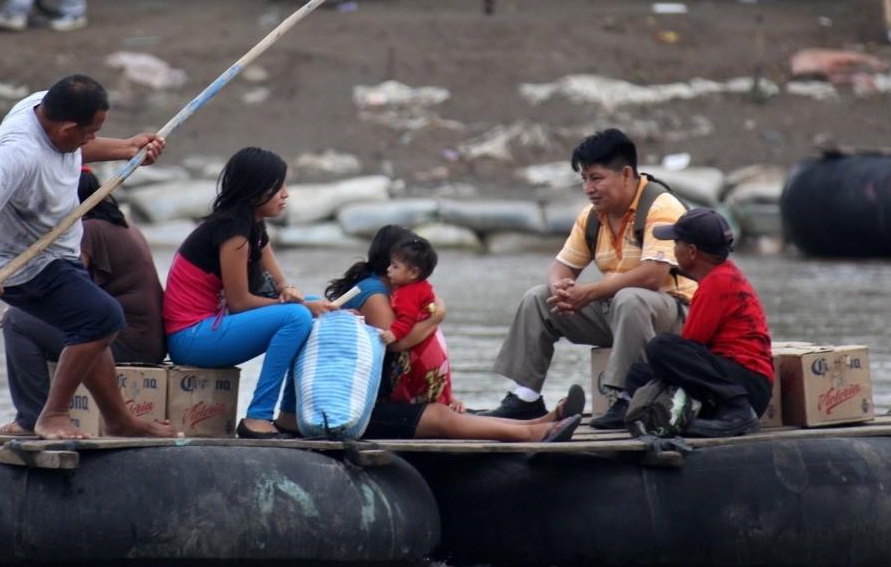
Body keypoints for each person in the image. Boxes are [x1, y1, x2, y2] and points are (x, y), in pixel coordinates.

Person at [0, 73, 173, 440]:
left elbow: (78, 145)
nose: (92, 138)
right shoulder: (17, 153)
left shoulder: (46, 107)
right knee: (105, 317)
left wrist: (127, 148)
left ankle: (118, 420)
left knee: (92, 325)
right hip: (23, 263)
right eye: (90, 131)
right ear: (67, 127)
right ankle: (50, 414)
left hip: (59, 249)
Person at [486, 128, 695, 431]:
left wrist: (590, 292)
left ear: (625, 174)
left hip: (673, 315)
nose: (588, 188)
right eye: (584, 179)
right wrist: (562, 288)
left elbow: (653, 276)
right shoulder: (593, 216)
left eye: (596, 178)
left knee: (630, 298)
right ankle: (525, 398)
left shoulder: (662, 207)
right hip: (623, 312)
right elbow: (561, 267)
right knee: (538, 298)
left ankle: (625, 399)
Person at [316, 226, 584, 443]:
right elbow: (397, 344)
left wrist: (441, 393)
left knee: (446, 411)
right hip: (351, 412)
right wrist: (436, 318)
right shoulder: (374, 292)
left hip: (369, 399)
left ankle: (536, 423)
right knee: (440, 417)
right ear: (393, 263)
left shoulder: (390, 291)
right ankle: (531, 433)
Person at [162, 147, 332, 439]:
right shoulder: (233, 231)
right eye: (278, 187)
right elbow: (240, 303)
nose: (286, 194)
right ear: (255, 191)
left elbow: (281, 285)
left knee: (311, 306)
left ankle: (289, 414)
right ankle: (257, 418)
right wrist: (296, 305)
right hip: (190, 337)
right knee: (296, 316)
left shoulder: (253, 226)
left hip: (211, 326)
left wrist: (294, 294)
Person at [0, 167, 166, 435]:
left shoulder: (87, 230)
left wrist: (20, 304)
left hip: (125, 341)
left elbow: (73, 293)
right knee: (23, 317)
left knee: (16, 321)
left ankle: (30, 419)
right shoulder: (120, 223)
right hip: (146, 340)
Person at [622, 208, 773, 438]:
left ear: (691, 252)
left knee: (661, 348)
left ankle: (738, 413)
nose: (673, 249)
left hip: (747, 387)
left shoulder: (716, 283)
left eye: (676, 243)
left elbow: (691, 345)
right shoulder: (723, 275)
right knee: (638, 374)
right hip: (736, 379)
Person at [380, 236, 457, 408]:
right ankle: (444, 402)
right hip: (435, 346)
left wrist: (393, 333)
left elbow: (406, 319)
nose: (388, 270)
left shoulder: (405, 294)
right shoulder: (424, 287)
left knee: (411, 386)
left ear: (413, 272)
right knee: (436, 382)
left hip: (421, 351)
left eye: (395, 266)